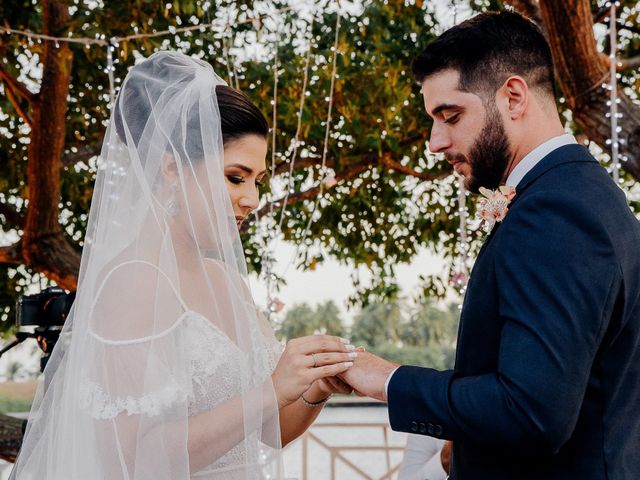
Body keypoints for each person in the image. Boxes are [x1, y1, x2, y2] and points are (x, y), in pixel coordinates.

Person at [10, 51, 356, 480]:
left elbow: (268, 431)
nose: (251, 198)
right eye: (235, 177)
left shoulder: (227, 281)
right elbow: (138, 456)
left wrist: (314, 388)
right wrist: (269, 391)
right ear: (172, 168)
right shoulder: (134, 280)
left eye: (257, 181)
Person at [340, 10, 640, 479]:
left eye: (450, 115)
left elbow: (531, 412)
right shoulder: (580, 193)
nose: (436, 142)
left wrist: (388, 379)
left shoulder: (556, 211)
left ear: (513, 97)